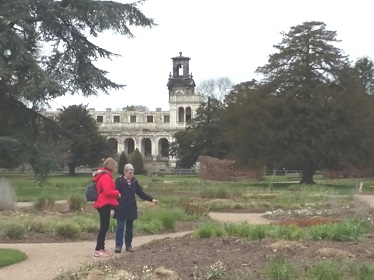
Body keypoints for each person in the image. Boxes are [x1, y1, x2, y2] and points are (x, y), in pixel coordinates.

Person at [114, 163, 159, 253]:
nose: (131, 174)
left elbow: (140, 193)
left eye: (132, 172)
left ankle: (128, 245)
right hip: (120, 207)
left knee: (129, 228)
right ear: (125, 172)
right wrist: (112, 207)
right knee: (120, 227)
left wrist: (152, 199)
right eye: (130, 173)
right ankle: (118, 246)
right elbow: (114, 194)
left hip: (131, 207)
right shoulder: (118, 181)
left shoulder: (134, 182)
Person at [92, 157, 121, 257]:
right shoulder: (106, 177)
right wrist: (117, 193)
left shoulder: (104, 175)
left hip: (103, 202)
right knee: (104, 227)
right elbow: (108, 192)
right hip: (103, 203)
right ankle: (98, 249)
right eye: (115, 166)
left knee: (105, 226)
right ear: (112, 166)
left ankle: (101, 248)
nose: (116, 168)